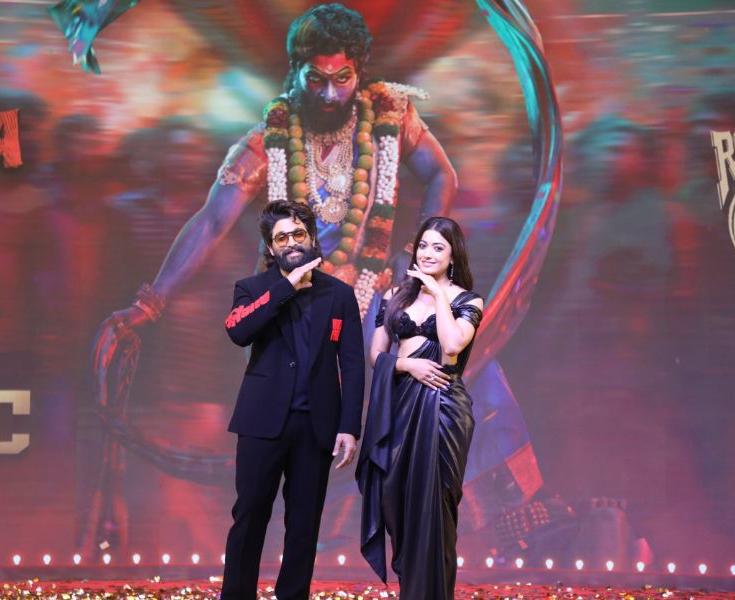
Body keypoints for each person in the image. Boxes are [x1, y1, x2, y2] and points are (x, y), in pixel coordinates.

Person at [98, 2, 456, 335]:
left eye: (342, 79)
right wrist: (151, 302)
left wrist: (415, 250)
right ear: (296, 71)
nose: (329, 94)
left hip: (370, 302)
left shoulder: (388, 117)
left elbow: (442, 175)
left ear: (358, 74)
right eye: (315, 79)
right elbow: (212, 221)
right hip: (291, 311)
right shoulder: (269, 140)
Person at [220, 200, 364, 600]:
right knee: (249, 516)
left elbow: (353, 365)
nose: (291, 242)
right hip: (262, 423)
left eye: (298, 234)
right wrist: (286, 287)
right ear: (270, 247)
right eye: (281, 237)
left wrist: (349, 427)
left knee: (303, 525)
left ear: (312, 237)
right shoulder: (252, 289)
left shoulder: (339, 295)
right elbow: (237, 331)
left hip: (315, 426)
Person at [357, 216, 484, 600]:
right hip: (399, 406)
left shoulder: (467, 300)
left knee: (435, 510)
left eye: (438, 248)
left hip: (442, 411)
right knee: (397, 503)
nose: (427, 253)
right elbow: (375, 355)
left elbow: (451, 347)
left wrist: (439, 295)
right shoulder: (395, 295)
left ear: (453, 256)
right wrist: (407, 366)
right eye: (423, 245)